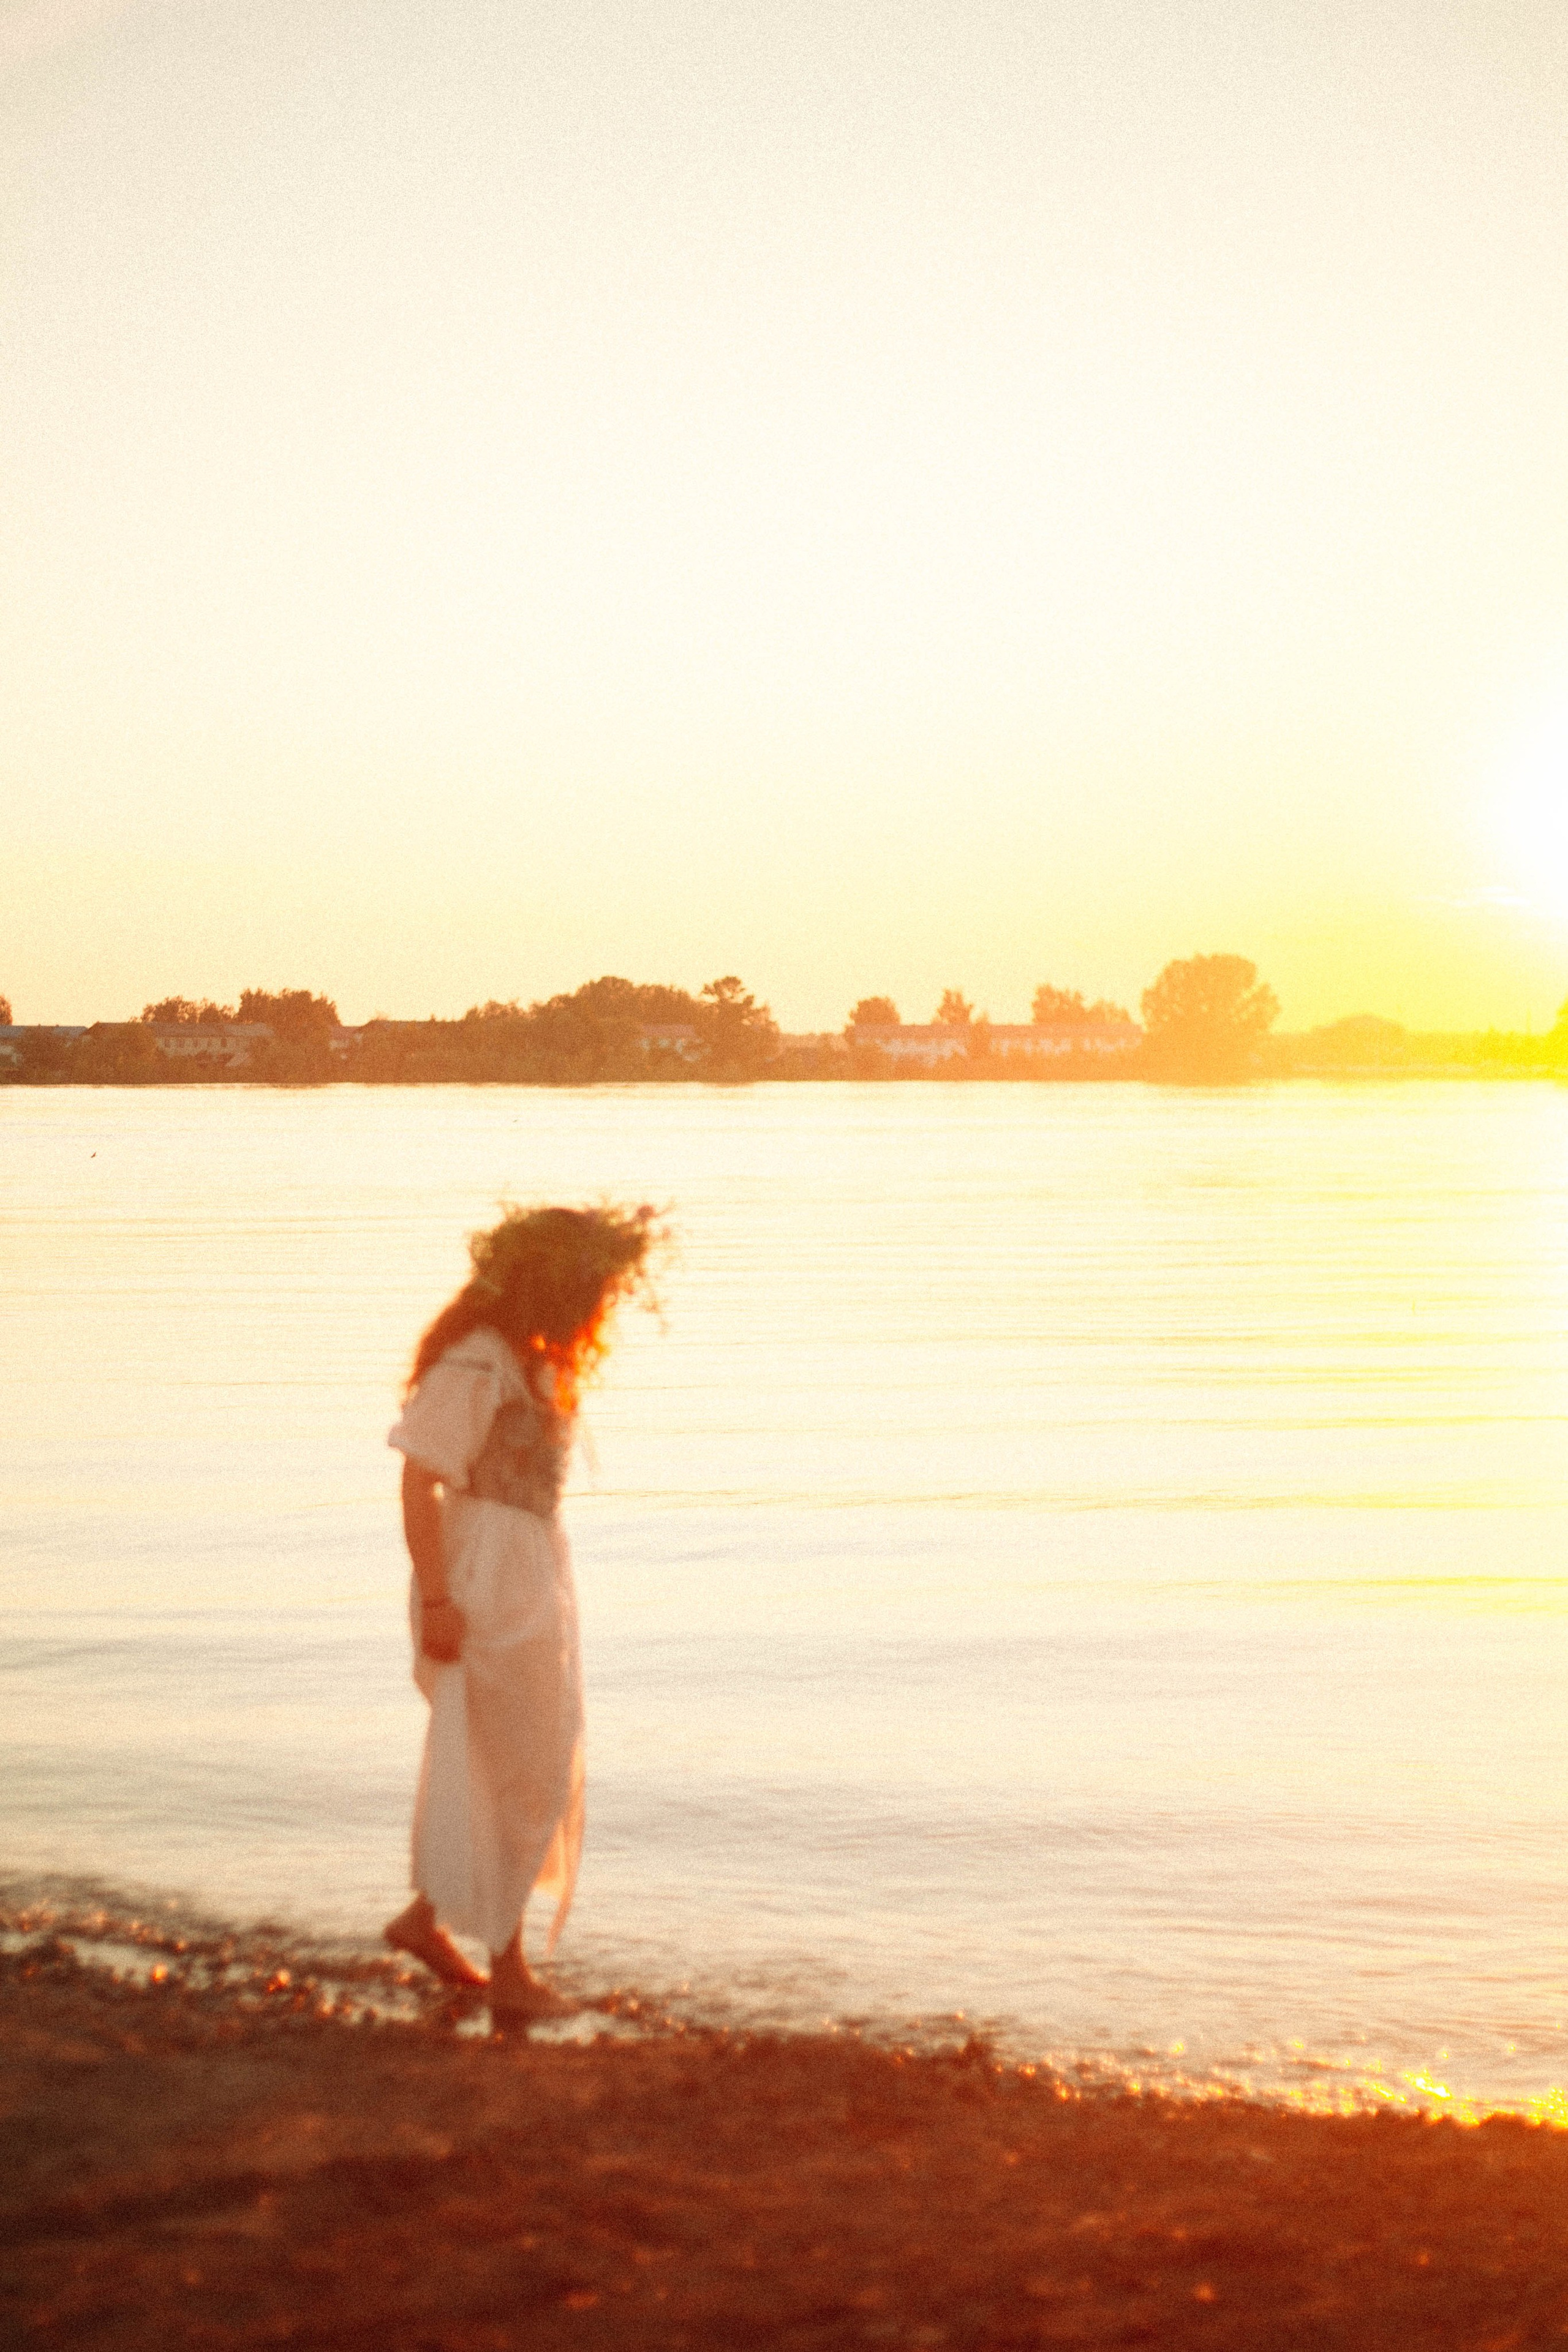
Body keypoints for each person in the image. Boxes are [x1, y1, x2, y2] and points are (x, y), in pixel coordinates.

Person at [383, 1202, 658, 2022]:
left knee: (530, 1756)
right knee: (514, 1764)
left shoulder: (529, 1358)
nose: (600, 1307)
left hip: (533, 1573)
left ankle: (427, 1921)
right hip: (480, 1578)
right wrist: (436, 1599)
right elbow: (417, 1481)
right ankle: (508, 1972)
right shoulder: (475, 1364)